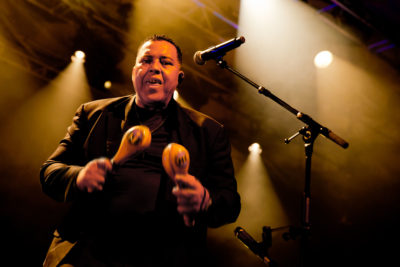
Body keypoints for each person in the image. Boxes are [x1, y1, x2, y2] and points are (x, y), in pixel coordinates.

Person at [40, 34, 241, 267]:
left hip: (163, 256)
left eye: (165, 62)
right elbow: (49, 172)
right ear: (134, 71)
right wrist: (78, 176)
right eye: (146, 60)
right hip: (87, 251)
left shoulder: (208, 132)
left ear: (179, 77)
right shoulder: (93, 114)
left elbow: (230, 203)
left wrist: (205, 199)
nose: (154, 67)